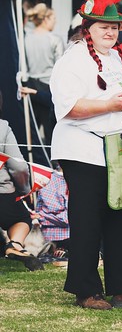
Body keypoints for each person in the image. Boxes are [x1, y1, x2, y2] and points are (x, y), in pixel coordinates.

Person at [49, 0, 122, 310]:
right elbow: (66, 107)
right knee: (88, 219)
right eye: (103, 27)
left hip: (119, 151)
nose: (110, 32)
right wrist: (108, 105)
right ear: (88, 29)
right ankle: (86, 289)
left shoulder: (118, 60)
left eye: (114, 27)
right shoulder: (73, 60)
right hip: (84, 150)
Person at [0, 91, 43, 271]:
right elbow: (18, 167)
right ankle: (15, 245)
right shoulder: (2, 128)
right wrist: (24, 190)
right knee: (21, 218)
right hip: (4, 195)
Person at [24, 3, 65, 149]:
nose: (55, 21)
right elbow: (61, 67)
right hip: (49, 87)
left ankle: (35, 163)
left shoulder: (25, 38)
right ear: (46, 18)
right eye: (54, 18)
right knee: (51, 131)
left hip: (29, 85)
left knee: (31, 131)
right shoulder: (54, 39)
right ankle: (52, 166)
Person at [35, 169, 70, 254]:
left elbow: (38, 211)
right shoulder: (73, 180)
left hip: (48, 236)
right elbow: (68, 218)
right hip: (65, 235)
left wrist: (41, 216)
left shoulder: (45, 179)